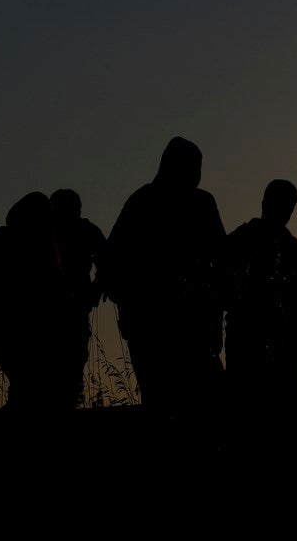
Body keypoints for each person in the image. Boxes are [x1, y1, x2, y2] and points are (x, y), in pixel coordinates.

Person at [100, 136, 227, 412]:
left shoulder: (200, 203)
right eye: (192, 167)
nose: (195, 175)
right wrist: (131, 308)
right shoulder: (143, 202)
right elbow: (113, 260)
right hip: (154, 323)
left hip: (194, 321)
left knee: (205, 399)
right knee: (164, 401)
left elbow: (221, 260)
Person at [0, 191, 79, 414]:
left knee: (30, 387)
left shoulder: (41, 246)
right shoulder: (15, 242)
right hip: (13, 326)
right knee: (31, 385)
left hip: (18, 327)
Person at [222, 179, 297, 411]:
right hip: (250, 336)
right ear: (265, 203)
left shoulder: (291, 248)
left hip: (271, 338)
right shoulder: (246, 240)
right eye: (283, 206)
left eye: (288, 207)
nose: (285, 213)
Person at [51, 188, 107, 407]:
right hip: (53, 305)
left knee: (72, 358)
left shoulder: (86, 230)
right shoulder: (48, 232)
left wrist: (97, 287)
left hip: (75, 302)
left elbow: (108, 260)